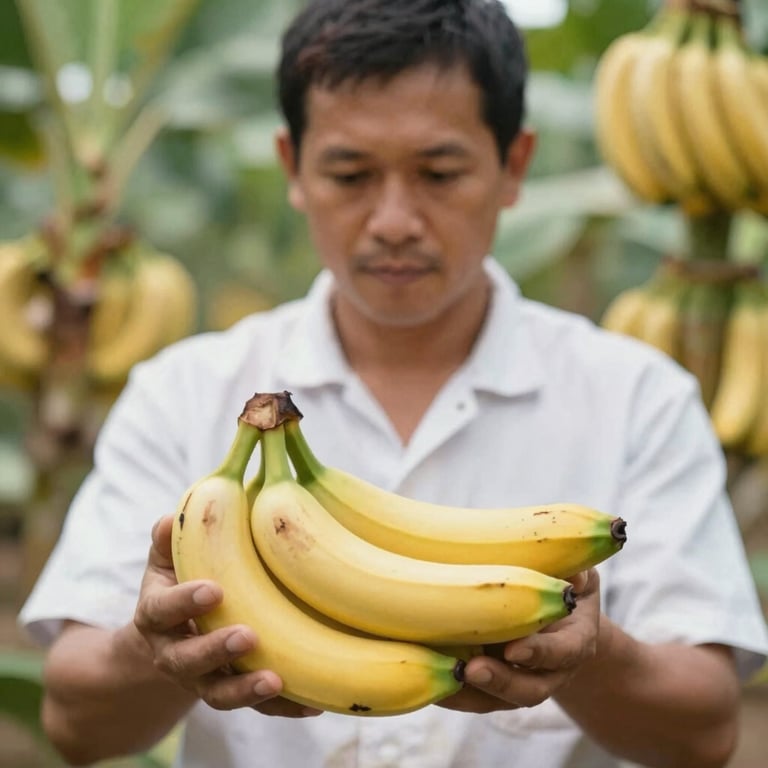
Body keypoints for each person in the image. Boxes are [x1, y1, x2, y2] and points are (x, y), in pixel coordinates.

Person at [17, 1, 768, 766]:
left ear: (513, 165)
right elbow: (75, 724)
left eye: (439, 173)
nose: (394, 219)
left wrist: (593, 652)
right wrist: (153, 649)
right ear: (292, 169)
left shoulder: (639, 398)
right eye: (350, 174)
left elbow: (706, 732)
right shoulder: (181, 392)